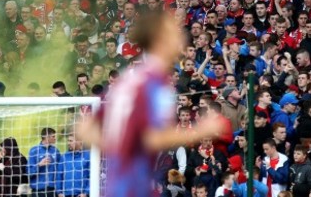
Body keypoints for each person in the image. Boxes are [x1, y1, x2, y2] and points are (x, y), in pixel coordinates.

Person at [77, 12, 227, 197]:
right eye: (174, 32)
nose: (180, 36)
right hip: (134, 188)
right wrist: (203, 131)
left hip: (119, 186)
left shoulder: (130, 79)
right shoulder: (154, 84)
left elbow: (85, 129)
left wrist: (120, 149)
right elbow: (151, 139)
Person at [27, 128, 61, 197]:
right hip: (38, 191)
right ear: (46, 137)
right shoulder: (34, 151)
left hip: (52, 191)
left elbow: (60, 171)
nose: (55, 138)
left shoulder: (56, 151)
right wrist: (39, 165)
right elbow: (28, 172)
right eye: (53, 136)